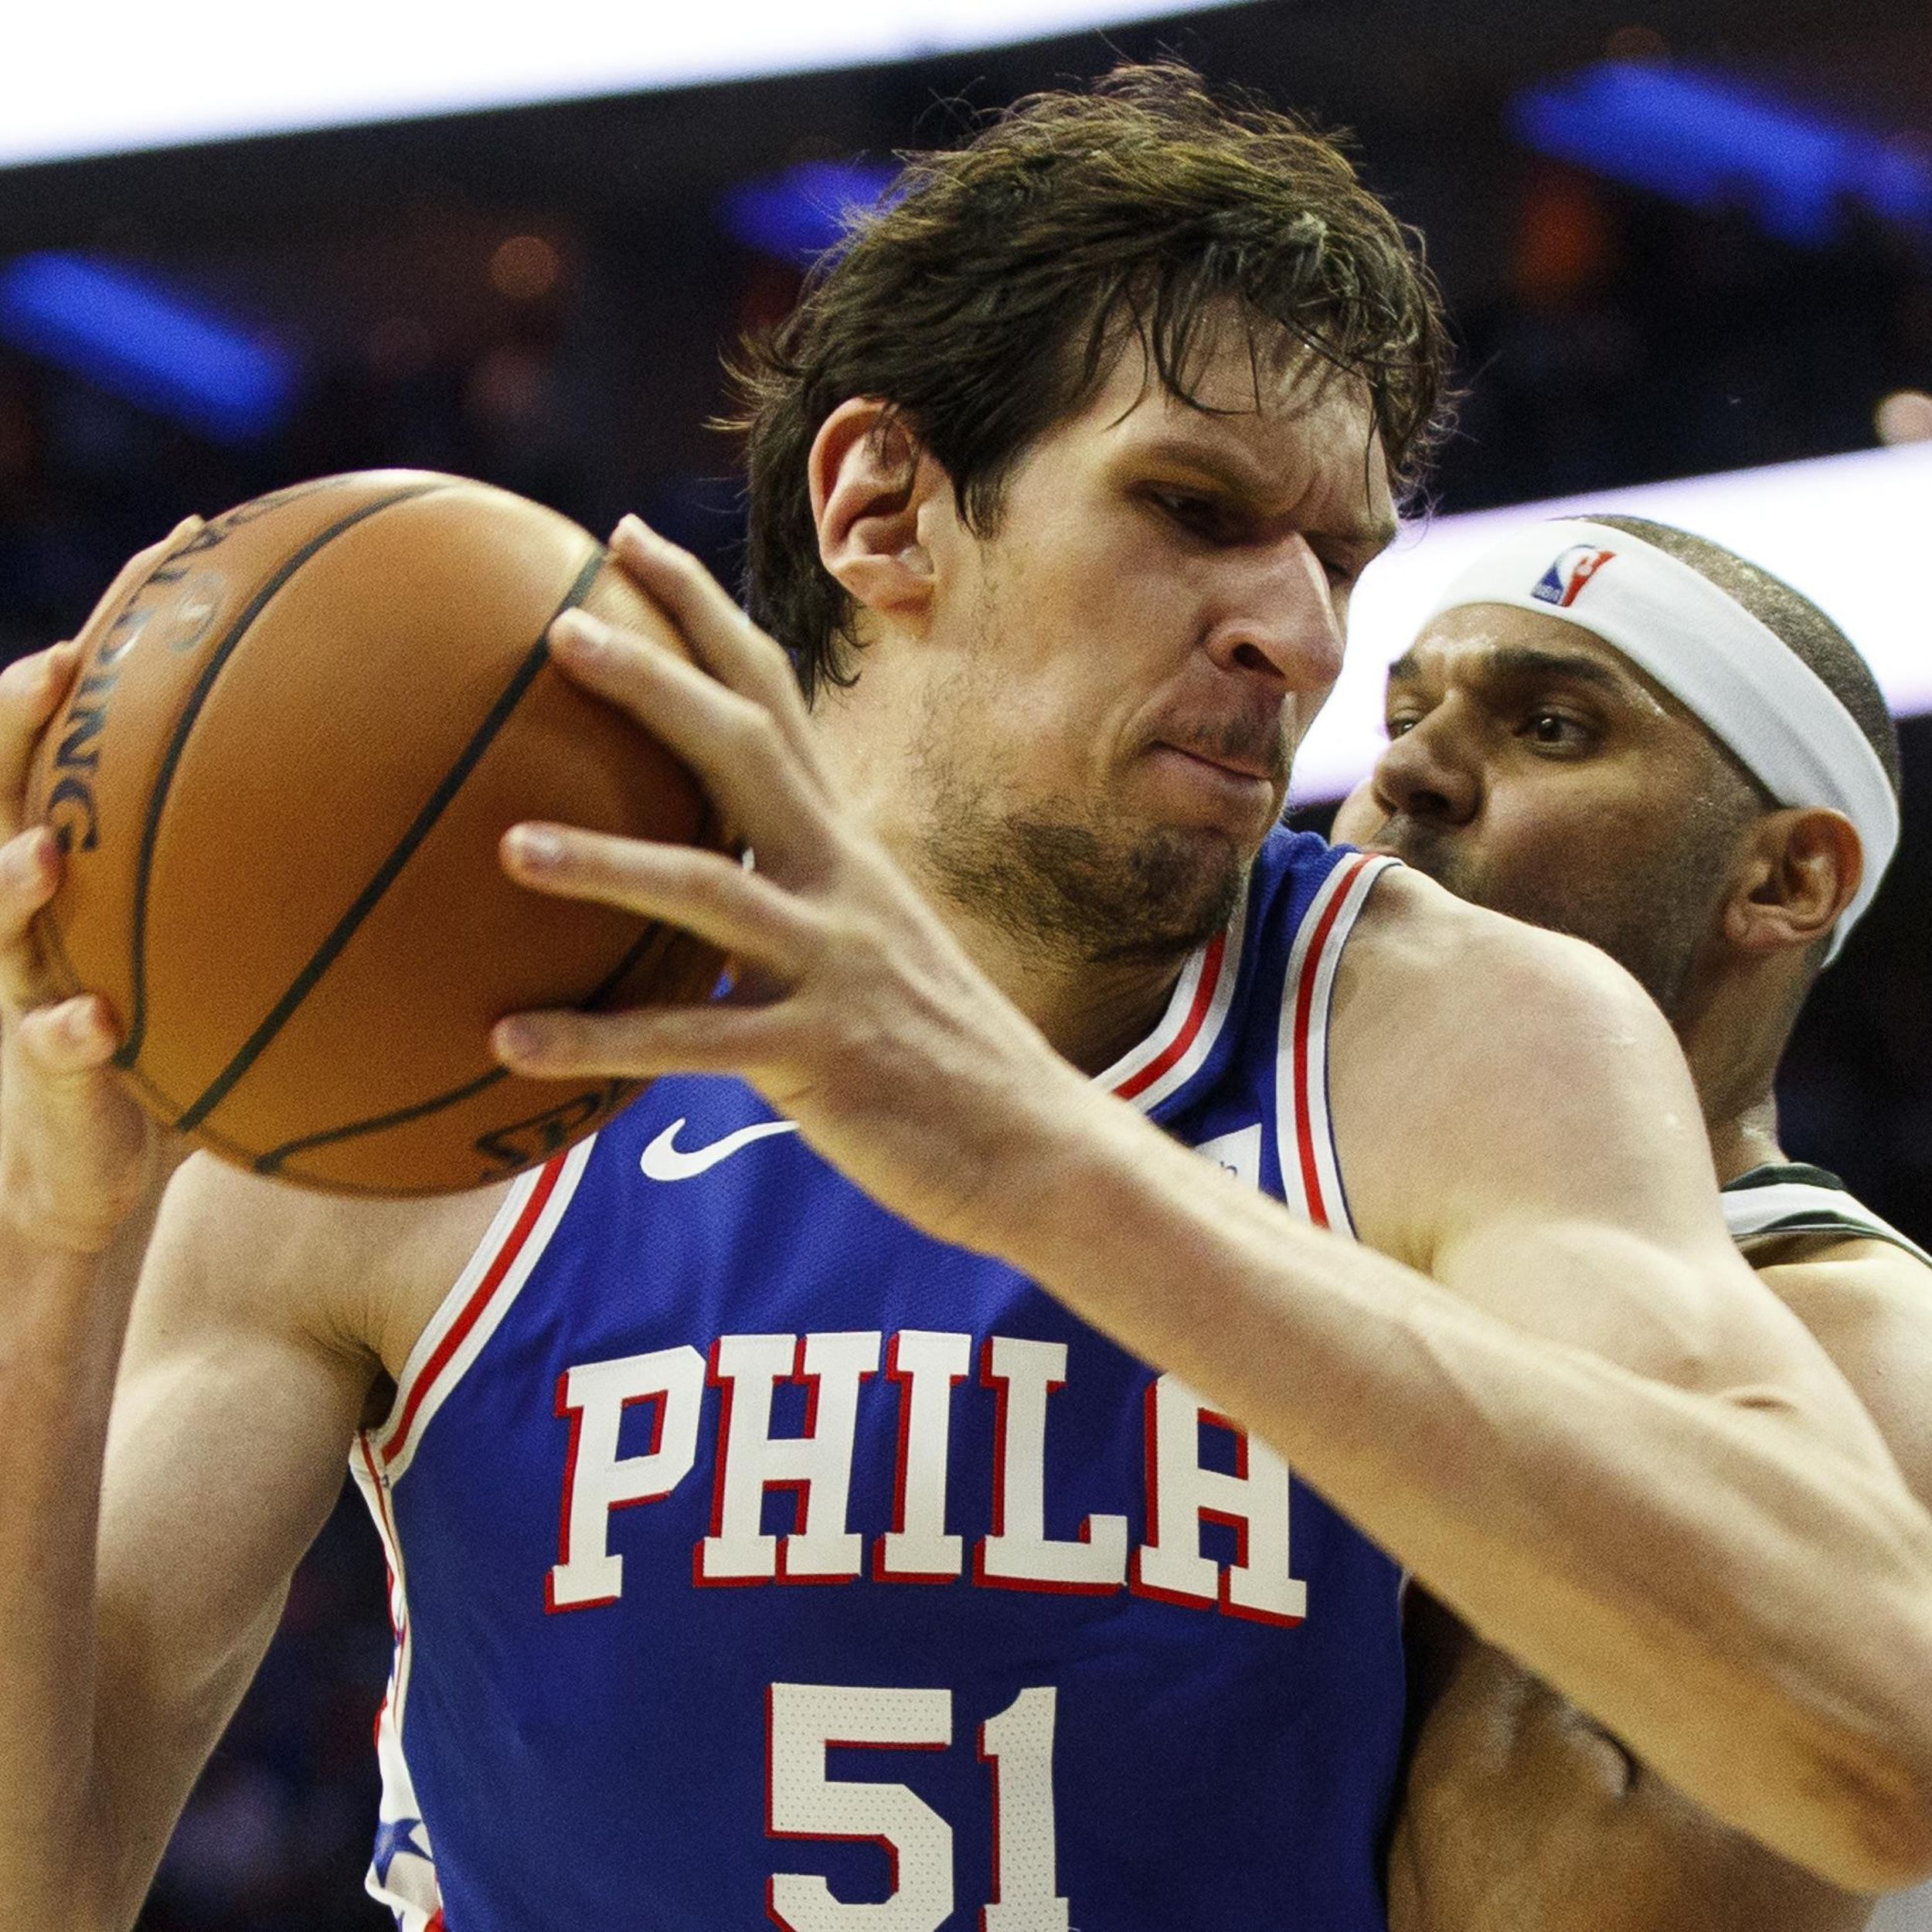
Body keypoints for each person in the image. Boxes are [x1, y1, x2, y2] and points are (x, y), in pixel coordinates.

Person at [3, 67, 1932, 1932]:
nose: (1303, 631)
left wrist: (1021, 1158)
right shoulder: (433, 1055)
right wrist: (48, 1240)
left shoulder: (1452, 1035)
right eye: (1190, 509)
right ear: (878, 507)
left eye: (1335, 554)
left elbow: (1875, 1739)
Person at [1331, 514, 1932, 1932]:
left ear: (1786, 880)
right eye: (1405, 712)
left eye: (1550, 728)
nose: (1407, 771)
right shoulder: (1323, 1227)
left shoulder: (1854, 1352)